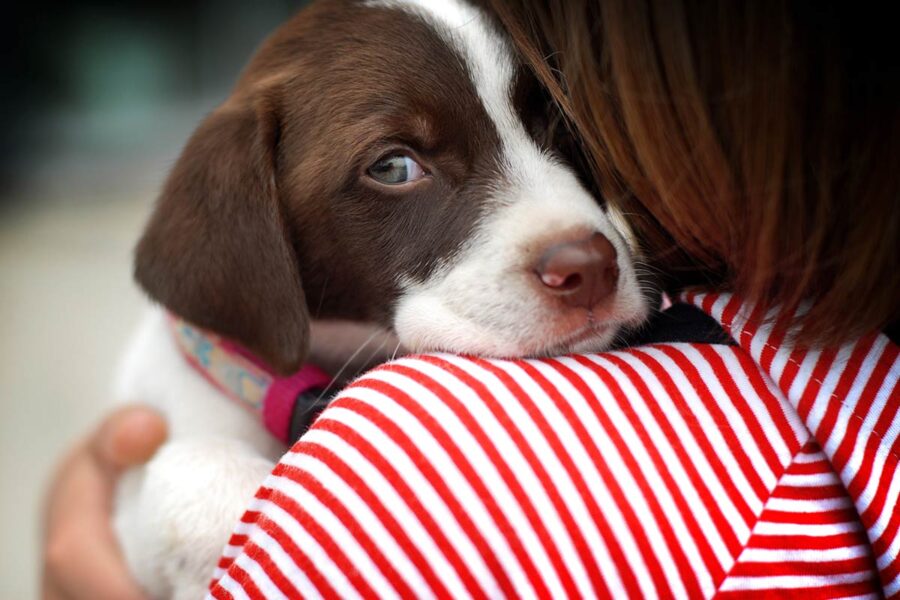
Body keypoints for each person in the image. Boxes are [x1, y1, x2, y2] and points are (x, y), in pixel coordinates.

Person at [43, 0, 898, 598]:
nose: (574, 240)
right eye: (394, 167)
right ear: (249, 224)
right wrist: (179, 494)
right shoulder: (191, 364)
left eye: (556, 127)